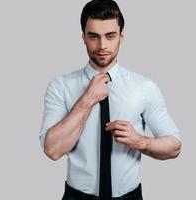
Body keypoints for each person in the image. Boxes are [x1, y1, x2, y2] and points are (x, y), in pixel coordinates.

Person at [39, 0, 182, 199]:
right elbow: (52, 150)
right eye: (93, 36)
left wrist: (140, 141)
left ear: (121, 36)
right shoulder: (61, 86)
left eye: (110, 36)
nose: (102, 46)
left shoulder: (144, 87)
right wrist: (87, 99)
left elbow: (175, 146)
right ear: (83, 37)